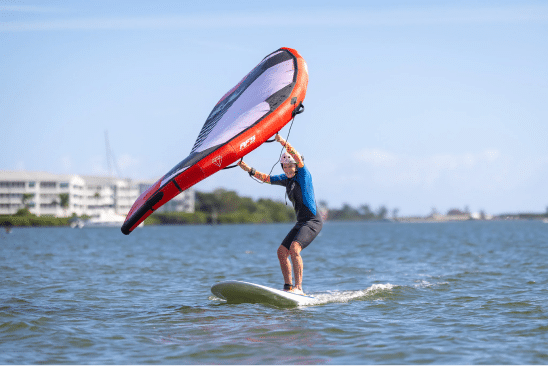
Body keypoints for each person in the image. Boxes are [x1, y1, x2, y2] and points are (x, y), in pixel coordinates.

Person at [238, 133, 322, 295]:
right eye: (284, 166)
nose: (288, 169)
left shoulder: (304, 175)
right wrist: (249, 169)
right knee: (282, 252)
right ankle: (288, 287)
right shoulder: (286, 179)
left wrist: (282, 141)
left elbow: (296, 156)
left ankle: (299, 288)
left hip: (313, 221)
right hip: (301, 222)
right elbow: (267, 178)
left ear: (296, 166)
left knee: (294, 248)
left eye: (290, 165)